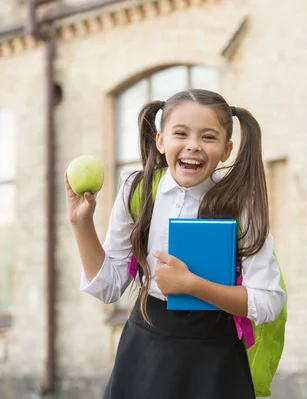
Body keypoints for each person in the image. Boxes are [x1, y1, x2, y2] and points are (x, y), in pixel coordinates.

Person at [65, 89, 285, 399]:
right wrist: (81, 223)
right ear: (160, 140)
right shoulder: (136, 190)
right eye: (180, 133)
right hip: (144, 352)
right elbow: (108, 287)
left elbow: (269, 301)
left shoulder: (239, 204)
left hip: (214, 359)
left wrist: (192, 285)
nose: (193, 145)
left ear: (226, 149)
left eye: (208, 137)